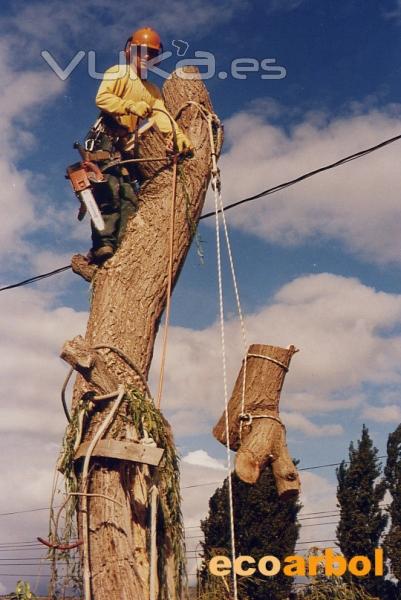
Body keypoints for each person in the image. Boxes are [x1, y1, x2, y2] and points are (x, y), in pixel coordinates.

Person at [86, 26, 193, 262]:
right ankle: (102, 245)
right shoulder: (119, 73)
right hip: (105, 139)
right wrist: (129, 106)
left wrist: (177, 136)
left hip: (124, 150)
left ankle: (121, 249)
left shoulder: (152, 91)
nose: (146, 57)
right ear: (129, 50)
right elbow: (102, 98)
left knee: (129, 200)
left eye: (151, 54)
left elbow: (161, 115)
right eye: (142, 51)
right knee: (109, 190)